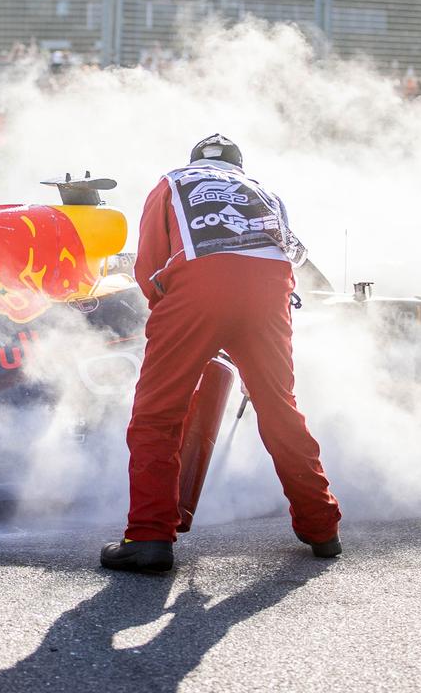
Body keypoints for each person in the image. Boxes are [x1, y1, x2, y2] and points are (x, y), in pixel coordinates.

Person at [101, 134, 342, 574]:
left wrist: (172, 321)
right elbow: (291, 255)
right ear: (239, 167)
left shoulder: (171, 182)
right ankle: (323, 528)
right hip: (267, 294)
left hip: (197, 293)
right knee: (279, 409)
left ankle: (149, 537)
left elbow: (150, 265)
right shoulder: (264, 192)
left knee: (158, 414)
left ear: (195, 161)